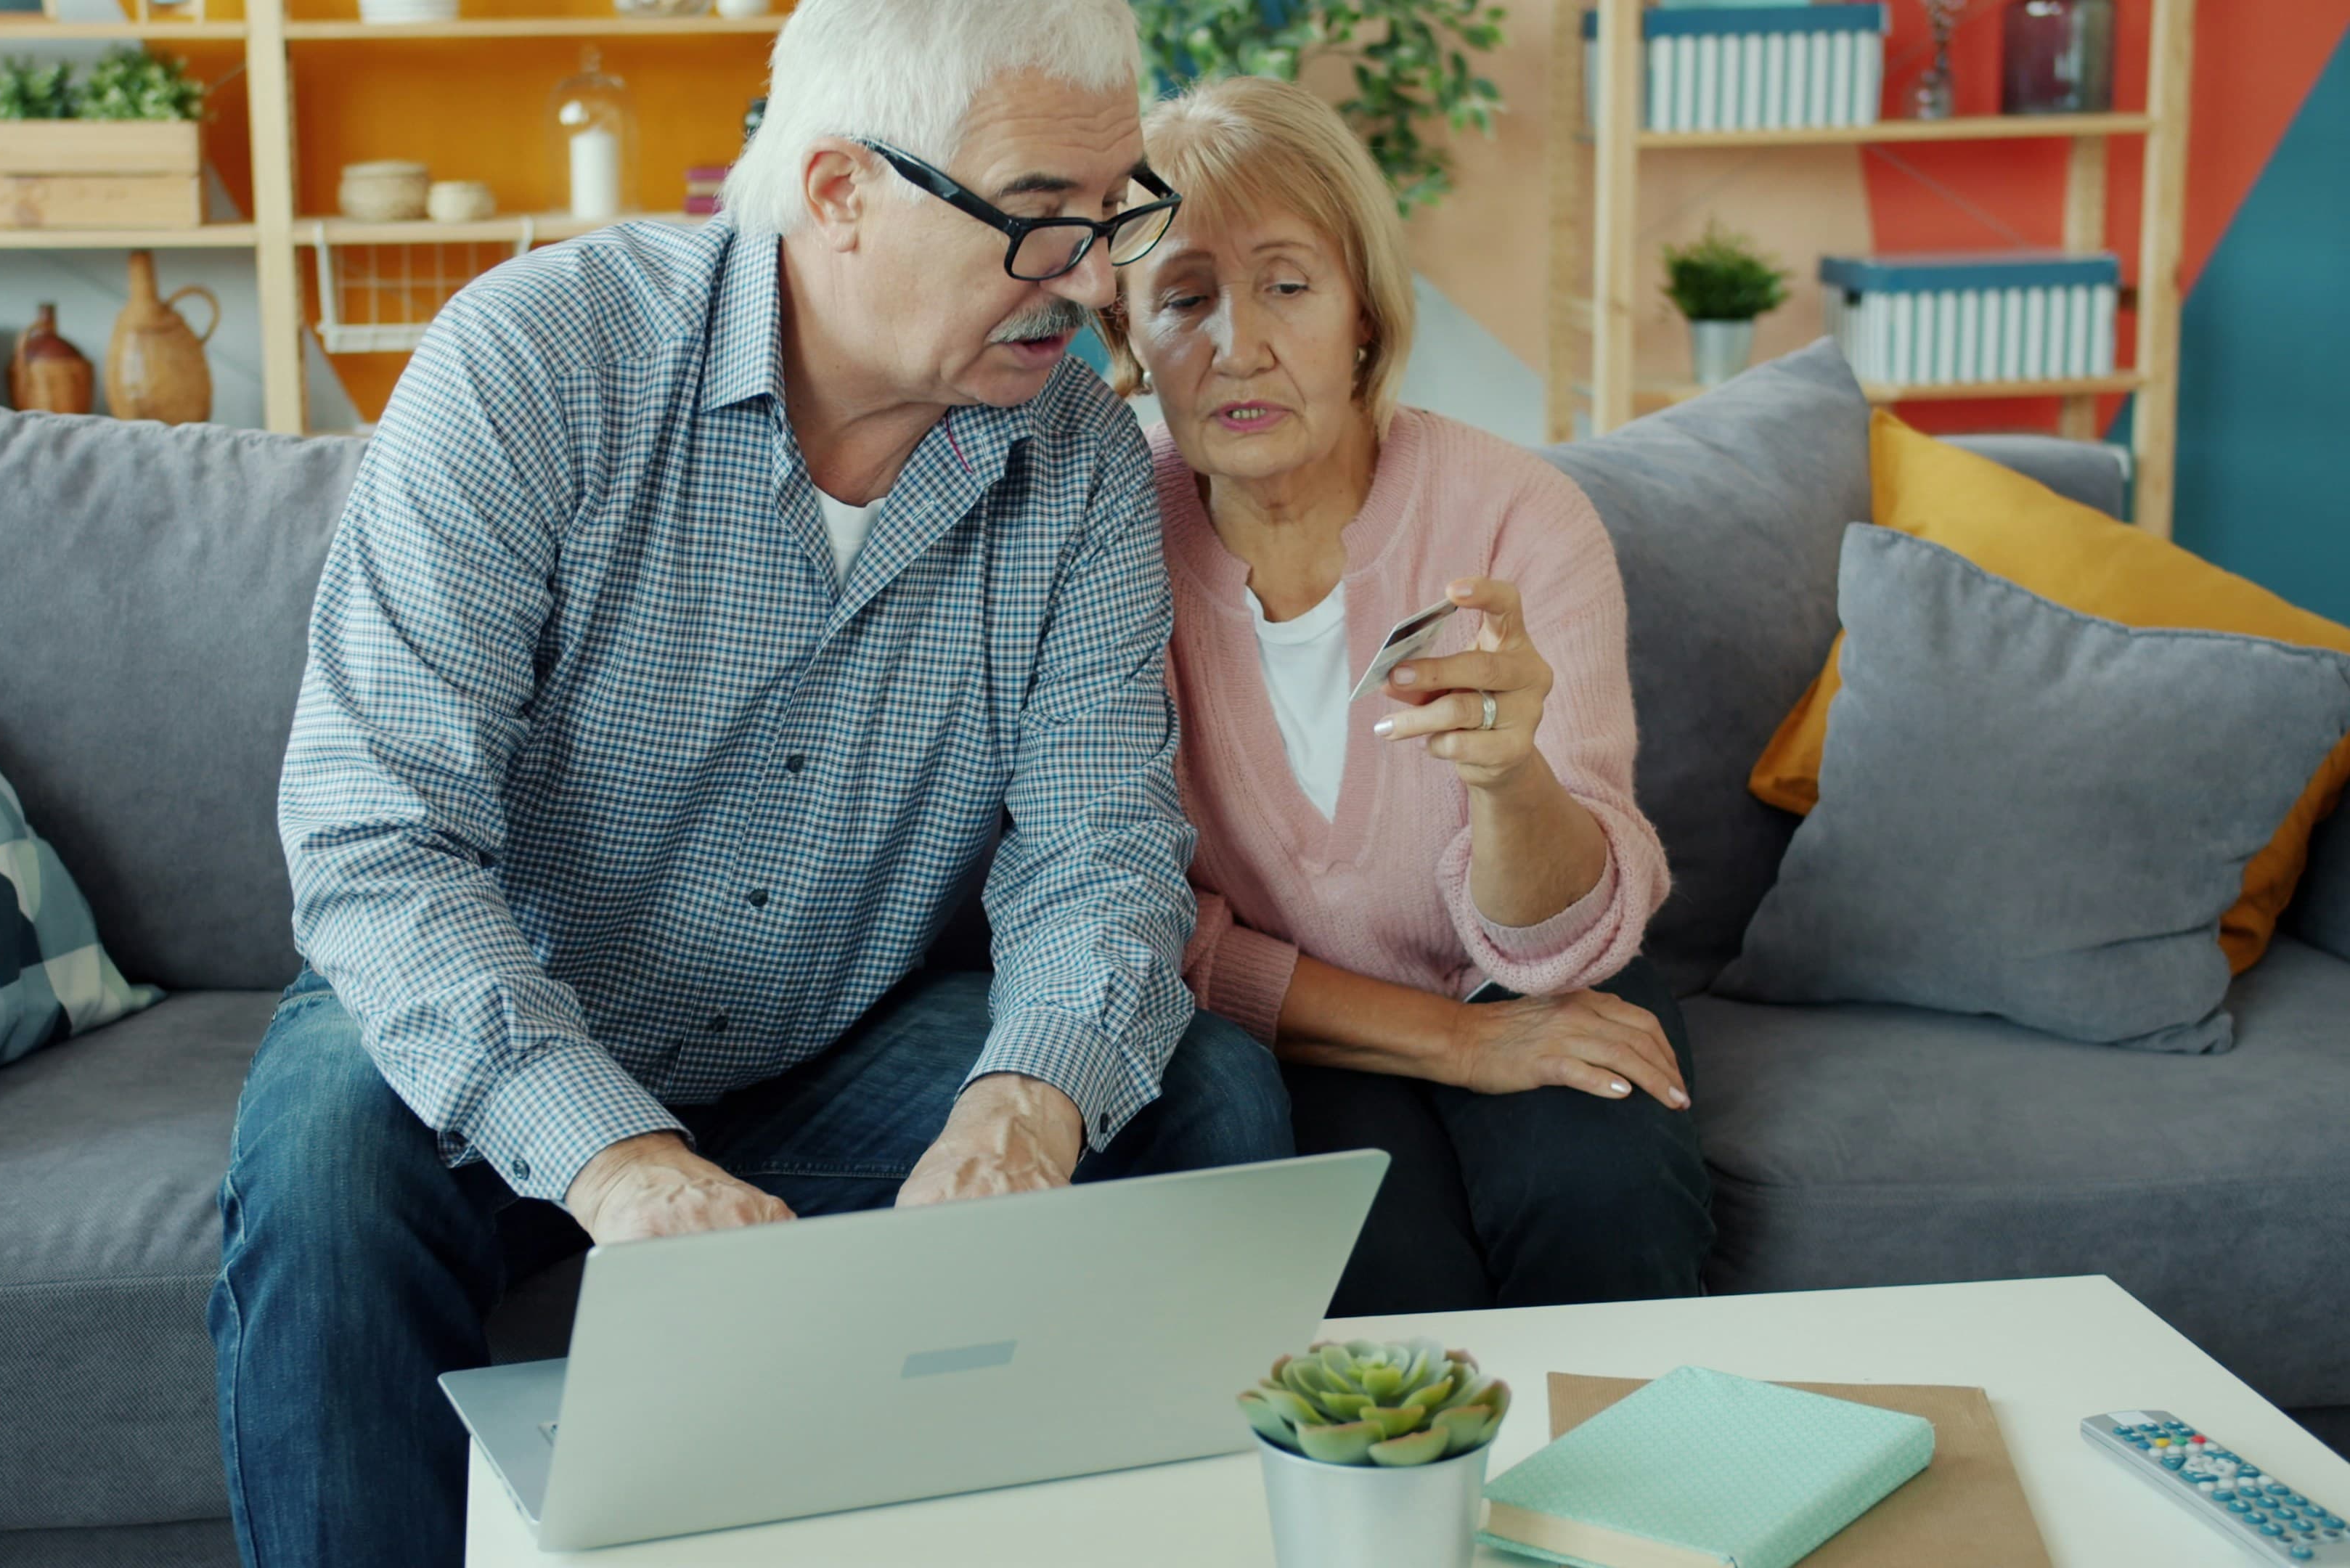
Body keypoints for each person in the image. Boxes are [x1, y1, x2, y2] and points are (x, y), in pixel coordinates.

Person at [207, 5, 1296, 1565]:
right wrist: (619, 1161)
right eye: (1041, 225)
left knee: (1202, 1094)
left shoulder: (1084, 470)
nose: (1101, 281)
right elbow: (380, 846)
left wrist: (1024, 1108)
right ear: (842, 190)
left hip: (834, 1047)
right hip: (508, 1034)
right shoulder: (534, 363)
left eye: (1115, 214)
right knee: (322, 1154)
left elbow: (1100, 852)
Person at [1098, 76, 1713, 1318]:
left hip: (1535, 980)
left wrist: (1508, 781)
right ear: (1126, 342)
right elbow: (1142, 923)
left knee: (1605, 1204)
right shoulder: (1104, 539)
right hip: (1305, 1025)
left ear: (1366, 314)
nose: (1241, 346)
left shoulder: (1517, 515)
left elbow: (1556, 944)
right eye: (1183, 299)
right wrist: (1455, 1047)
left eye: (1287, 283)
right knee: (1382, 1283)